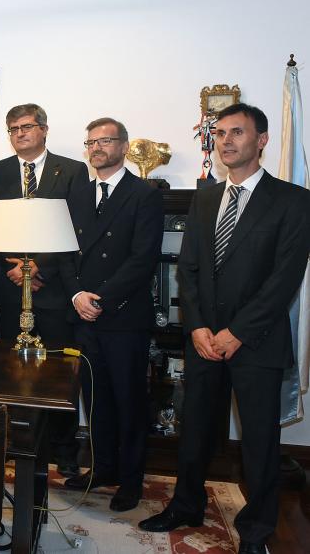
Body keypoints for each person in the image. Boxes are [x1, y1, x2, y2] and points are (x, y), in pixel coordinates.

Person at [139, 104, 310, 553]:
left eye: (237, 132)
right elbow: (188, 269)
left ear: (262, 140)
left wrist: (235, 332)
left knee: (258, 444)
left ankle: (255, 533)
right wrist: (196, 327)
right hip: (203, 341)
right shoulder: (206, 198)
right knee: (194, 431)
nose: (226, 141)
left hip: (257, 343)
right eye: (219, 134)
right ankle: (185, 506)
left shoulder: (293, 201)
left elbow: (283, 281)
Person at [59, 117, 163, 513]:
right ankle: (102, 468)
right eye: (91, 142)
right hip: (83, 314)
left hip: (122, 317)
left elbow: (142, 260)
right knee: (94, 397)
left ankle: (131, 480)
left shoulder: (144, 194)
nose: (97, 148)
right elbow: (65, 251)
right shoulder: (78, 194)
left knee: (129, 401)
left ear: (123, 146)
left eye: (105, 140)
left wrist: (99, 298)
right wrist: (75, 294)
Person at [0, 103, 89, 478]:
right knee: (17, 370)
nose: (19, 134)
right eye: (12, 129)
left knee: (58, 371)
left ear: (44, 130)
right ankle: (20, 442)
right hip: (12, 287)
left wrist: (38, 266)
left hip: (55, 288)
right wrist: (14, 267)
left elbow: (76, 228)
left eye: (26, 127)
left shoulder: (72, 171)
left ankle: (63, 448)